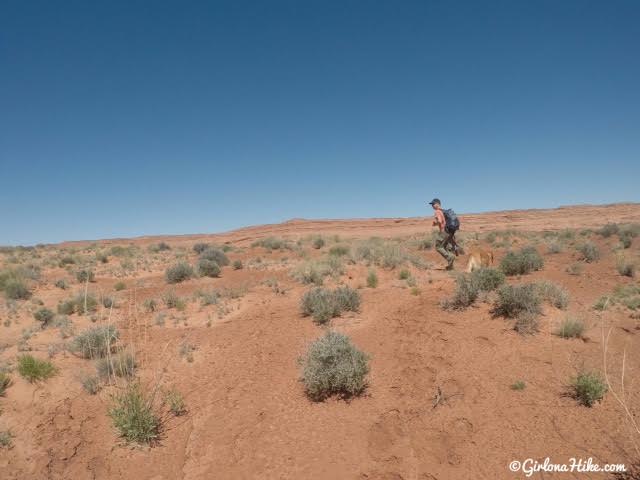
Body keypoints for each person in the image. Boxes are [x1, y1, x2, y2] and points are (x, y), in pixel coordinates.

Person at [429, 198, 459, 270]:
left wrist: (435, 223)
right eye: (432, 204)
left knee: (438, 247)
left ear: (437, 204)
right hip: (449, 232)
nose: (432, 206)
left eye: (433, 204)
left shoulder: (437, 211)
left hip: (443, 232)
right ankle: (450, 267)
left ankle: (450, 257)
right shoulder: (443, 211)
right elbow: (444, 221)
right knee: (445, 247)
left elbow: (439, 221)